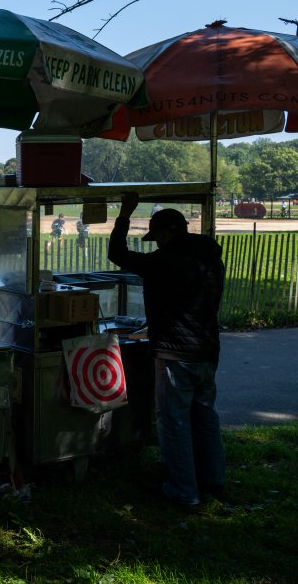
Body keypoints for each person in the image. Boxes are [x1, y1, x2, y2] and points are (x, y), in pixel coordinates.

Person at [108, 192, 226, 507]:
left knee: (173, 422)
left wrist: (124, 214)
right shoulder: (212, 259)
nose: (156, 242)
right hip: (206, 349)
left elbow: (117, 253)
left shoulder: (164, 260)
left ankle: (182, 491)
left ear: (167, 233)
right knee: (205, 417)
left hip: (175, 355)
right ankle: (212, 480)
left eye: (157, 236)